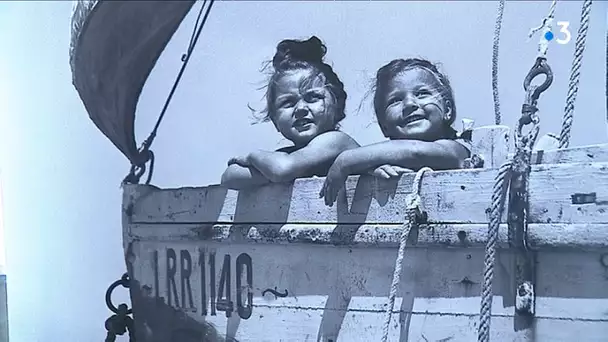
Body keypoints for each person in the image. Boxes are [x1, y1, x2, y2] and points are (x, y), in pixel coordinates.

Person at [320, 58, 471, 206]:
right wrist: (371, 168)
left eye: (422, 94)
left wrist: (346, 160)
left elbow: (416, 152)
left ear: (448, 110)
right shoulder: (388, 156)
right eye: (395, 100)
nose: (410, 104)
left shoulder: (456, 149)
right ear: (383, 126)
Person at [221, 36, 359, 189]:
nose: (300, 109)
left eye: (313, 97)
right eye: (288, 103)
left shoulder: (336, 141)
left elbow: (282, 170)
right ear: (275, 121)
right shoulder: (286, 156)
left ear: (338, 107)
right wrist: (274, 171)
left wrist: (251, 157)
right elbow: (229, 176)